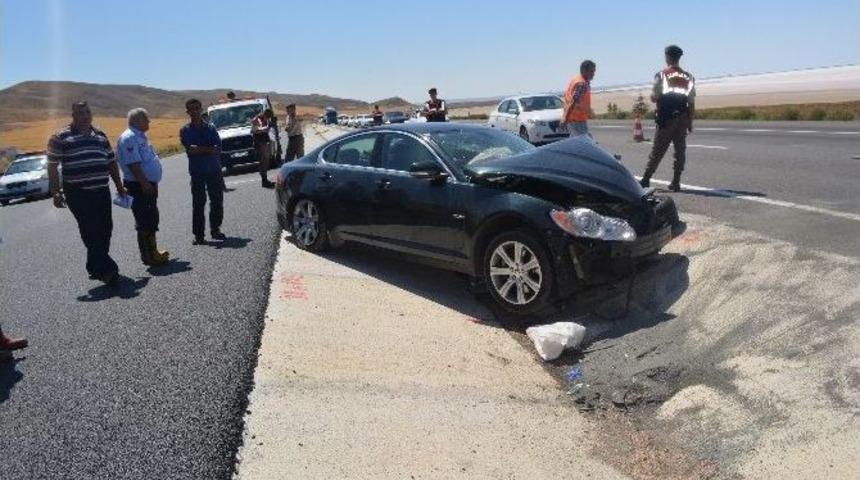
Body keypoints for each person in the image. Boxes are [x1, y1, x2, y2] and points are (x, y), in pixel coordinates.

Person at [47, 101, 126, 285]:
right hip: (77, 192)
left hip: (102, 189)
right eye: (81, 113)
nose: (85, 116)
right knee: (90, 230)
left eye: (88, 112)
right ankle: (108, 271)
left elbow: (111, 162)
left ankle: (94, 265)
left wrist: (119, 186)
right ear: (73, 115)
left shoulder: (100, 135)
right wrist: (56, 192)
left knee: (106, 228)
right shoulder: (60, 137)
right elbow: (52, 165)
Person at [639, 45, 696, 192]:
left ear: (667, 57)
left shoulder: (662, 75)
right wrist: (690, 122)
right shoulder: (688, 77)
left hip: (667, 118)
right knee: (680, 151)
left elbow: (654, 97)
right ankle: (676, 182)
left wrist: (654, 97)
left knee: (658, 150)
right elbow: (691, 102)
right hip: (682, 117)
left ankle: (645, 179)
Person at [117, 108, 169, 266]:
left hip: (146, 183)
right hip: (138, 185)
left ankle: (152, 251)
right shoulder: (130, 137)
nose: (149, 122)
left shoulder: (139, 136)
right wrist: (145, 183)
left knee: (151, 216)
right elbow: (133, 164)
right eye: (146, 119)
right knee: (145, 218)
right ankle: (148, 255)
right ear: (138, 120)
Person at [180, 98, 225, 245]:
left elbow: (217, 148)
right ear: (187, 112)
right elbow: (190, 151)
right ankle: (199, 235)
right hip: (197, 172)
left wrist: (199, 149)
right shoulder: (185, 131)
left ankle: (215, 229)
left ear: (201, 109)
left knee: (217, 201)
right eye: (191, 109)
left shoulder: (211, 128)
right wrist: (208, 149)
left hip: (214, 170)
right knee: (198, 204)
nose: (194, 112)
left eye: (196, 108)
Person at [561, 60, 596, 137]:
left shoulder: (577, 79)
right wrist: (565, 118)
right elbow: (573, 101)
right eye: (591, 71)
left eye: (594, 71)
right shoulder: (581, 84)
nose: (593, 74)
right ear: (584, 70)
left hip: (574, 119)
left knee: (576, 142)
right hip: (577, 120)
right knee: (586, 143)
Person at [252, 108, 276, 188]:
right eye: (267, 117)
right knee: (263, 162)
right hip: (259, 143)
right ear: (265, 114)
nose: (267, 119)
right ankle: (264, 181)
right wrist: (266, 128)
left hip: (264, 142)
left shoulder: (264, 119)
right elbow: (254, 130)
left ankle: (265, 179)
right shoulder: (257, 119)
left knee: (266, 161)